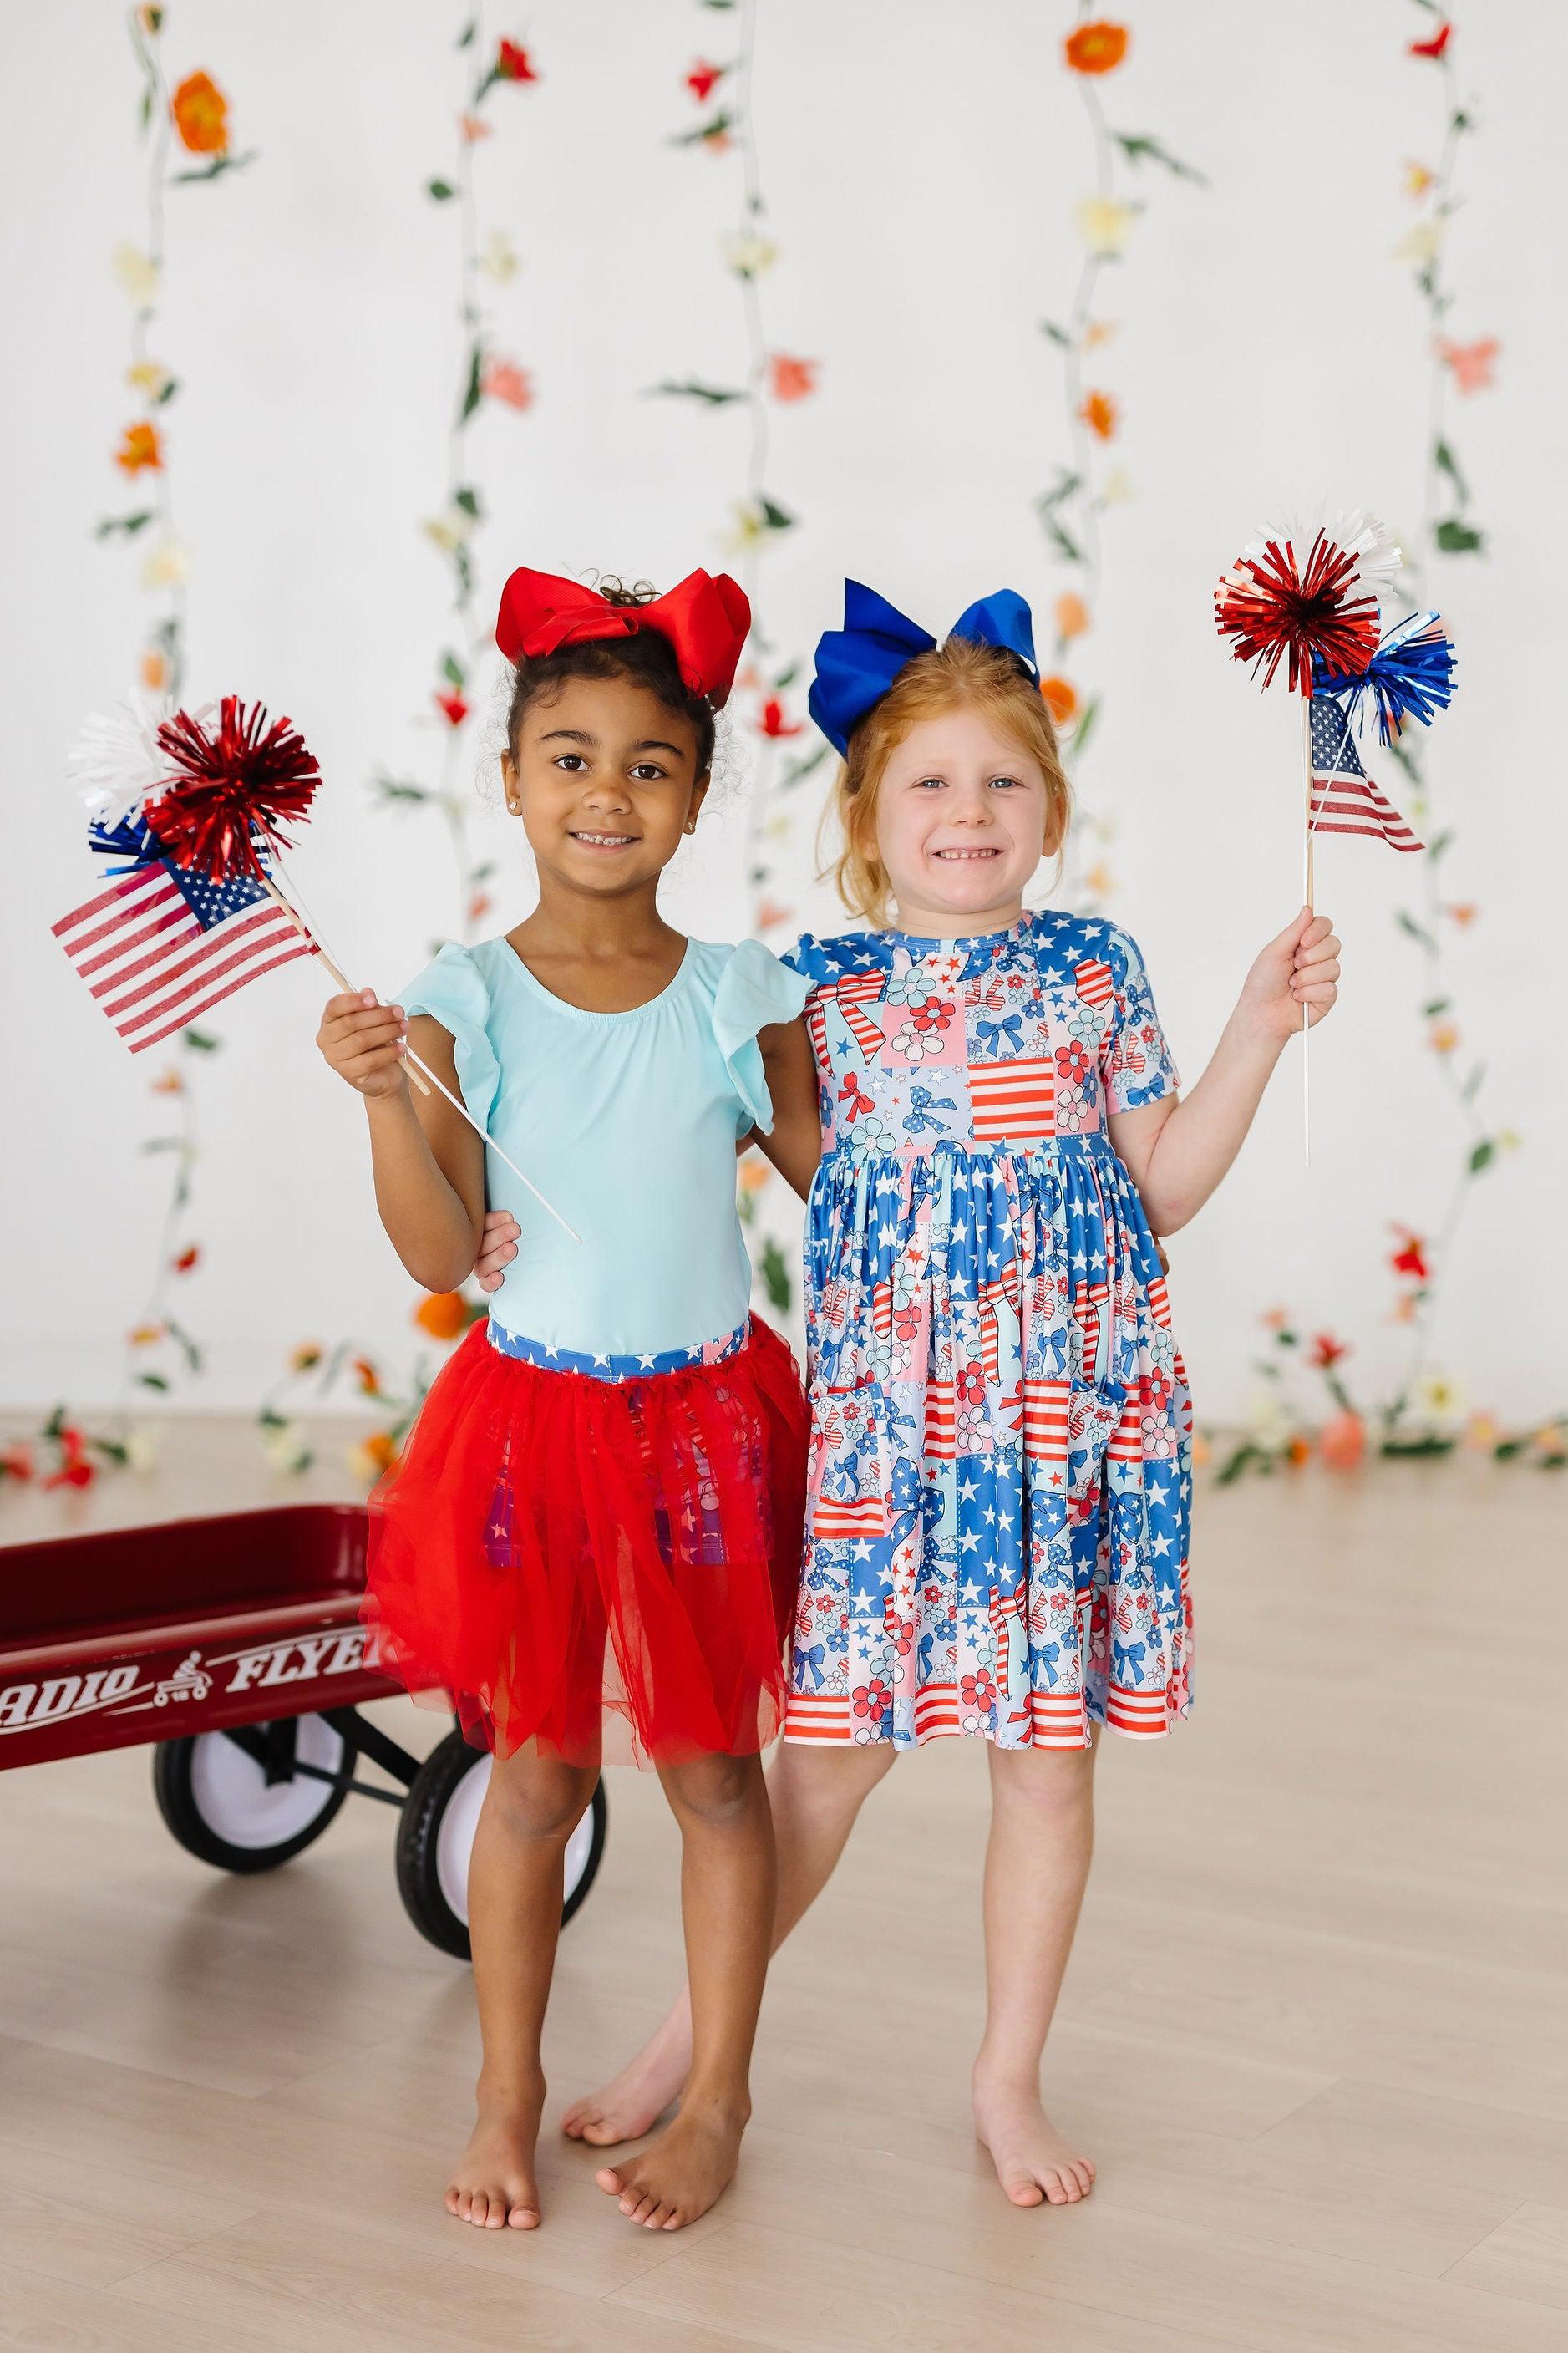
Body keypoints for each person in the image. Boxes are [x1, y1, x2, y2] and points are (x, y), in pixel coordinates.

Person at [532, 578, 1342, 2208]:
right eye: (930, 782)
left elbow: (1164, 1183)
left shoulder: (1094, 969)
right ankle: (690, 2040)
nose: (967, 811)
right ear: (866, 811)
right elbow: (702, 1155)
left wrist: (1259, 1023)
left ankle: (1006, 2074)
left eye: (1003, 782)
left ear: (1049, 810)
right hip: (894, 1441)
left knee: (1047, 1760)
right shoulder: (805, 996)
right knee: (821, 1761)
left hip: (1065, 1422)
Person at [317, 564, 819, 2235]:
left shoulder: (741, 996)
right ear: (514, 776)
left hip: (702, 1434)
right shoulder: (467, 997)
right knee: (531, 1779)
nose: (609, 792)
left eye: (650, 764)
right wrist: (393, 1104)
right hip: (530, 1431)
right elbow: (451, 1253)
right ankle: (505, 2089)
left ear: (693, 796)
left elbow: (858, 1197)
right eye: (573, 756)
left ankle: (722, 2092)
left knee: (713, 1775)